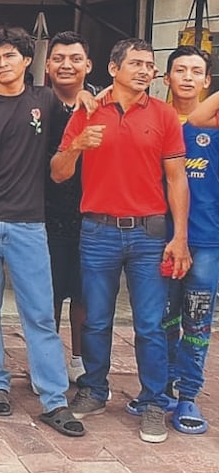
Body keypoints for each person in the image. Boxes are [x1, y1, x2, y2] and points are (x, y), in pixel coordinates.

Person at [55, 38, 190, 443]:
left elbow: (176, 178)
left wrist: (179, 235)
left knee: (150, 324)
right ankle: (94, 389)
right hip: (97, 230)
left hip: (150, 231)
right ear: (113, 69)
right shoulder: (88, 110)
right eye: (135, 64)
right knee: (95, 318)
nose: (145, 70)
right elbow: (59, 172)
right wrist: (77, 146)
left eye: (150, 65)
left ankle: (153, 402)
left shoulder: (164, 115)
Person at [0, 26, 83, 437]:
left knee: (40, 314)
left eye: (10, 56)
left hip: (30, 223)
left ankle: (54, 399)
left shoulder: (44, 101)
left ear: (28, 61)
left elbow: (66, 145)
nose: (3, 63)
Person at [158, 46, 219, 434]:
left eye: (197, 71)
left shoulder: (211, 127)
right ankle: (159, 389)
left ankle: (188, 397)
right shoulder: (156, 120)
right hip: (158, 238)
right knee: (162, 320)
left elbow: (198, 116)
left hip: (207, 241)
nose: (187, 77)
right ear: (166, 78)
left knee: (197, 322)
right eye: (179, 70)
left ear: (207, 81)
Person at [42, 32, 96, 385]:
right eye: (58, 58)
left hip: (91, 210)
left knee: (84, 293)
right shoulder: (34, 102)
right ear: (47, 66)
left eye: (75, 58)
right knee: (49, 295)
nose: (66, 64)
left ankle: (79, 359)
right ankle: (46, 361)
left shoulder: (100, 105)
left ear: (88, 66)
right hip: (43, 209)